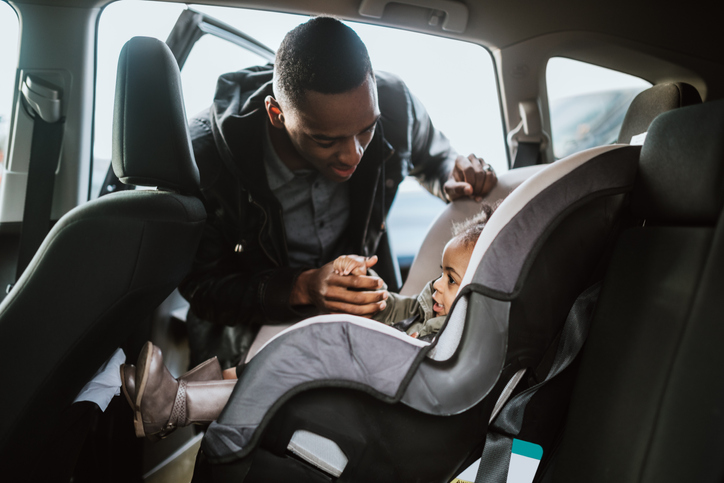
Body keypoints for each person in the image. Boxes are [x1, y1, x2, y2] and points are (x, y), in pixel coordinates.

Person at [178, 16, 497, 369]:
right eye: (325, 140)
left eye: (366, 130)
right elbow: (202, 288)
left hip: (366, 325)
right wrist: (303, 287)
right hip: (247, 342)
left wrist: (455, 176)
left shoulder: (395, 105)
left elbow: (436, 161)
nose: (353, 155)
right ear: (276, 114)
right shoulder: (204, 158)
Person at [122, 207, 494, 440]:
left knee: (286, 370)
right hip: (361, 371)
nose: (438, 286)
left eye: (451, 279)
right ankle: (174, 392)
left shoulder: (459, 341)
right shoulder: (430, 307)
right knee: (284, 352)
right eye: (442, 275)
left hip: (372, 396)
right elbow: (395, 308)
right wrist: (372, 290)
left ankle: (173, 407)